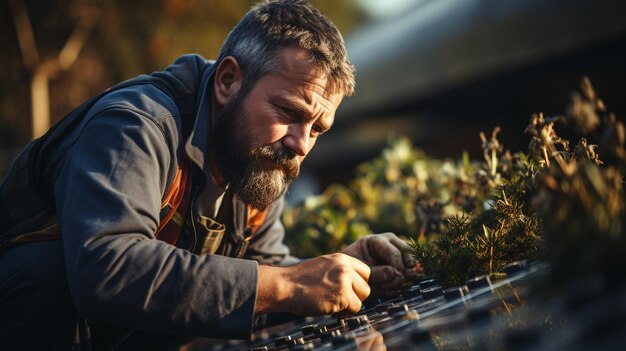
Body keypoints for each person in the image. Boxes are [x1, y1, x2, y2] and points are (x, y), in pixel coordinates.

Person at [0, 0, 418, 349]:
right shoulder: (137, 127)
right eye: (290, 112)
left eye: (318, 129)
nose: (301, 144)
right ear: (228, 80)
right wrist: (287, 283)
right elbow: (106, 268)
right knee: (48, 272)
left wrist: (340, 273)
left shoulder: (255, 161)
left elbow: (259, 284)